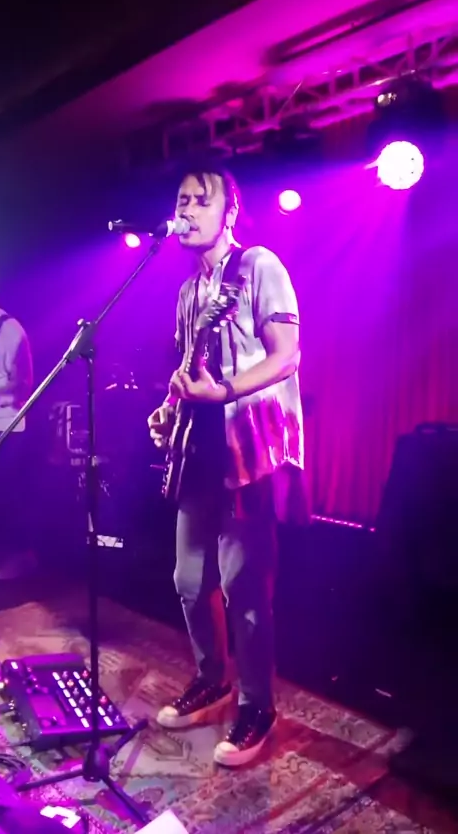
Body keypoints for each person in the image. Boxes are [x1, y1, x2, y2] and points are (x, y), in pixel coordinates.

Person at [147, 166, 309, 767]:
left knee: (245, 587)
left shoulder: (260, 266)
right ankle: (212, 677)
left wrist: (225, 392)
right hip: (198, 450)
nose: (186, 211)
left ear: (230, 211)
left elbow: (287, 356)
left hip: (249, 451)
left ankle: (257, 705)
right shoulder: (189, 291)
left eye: (200, 200)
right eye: (180, 200)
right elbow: (188, 367)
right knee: (189, 581)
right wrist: (168, 409)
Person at [0, 285, 34, 579]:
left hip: (6, 426)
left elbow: (24, 383)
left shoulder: (11, 330)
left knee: (7, 493)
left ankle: (18, 556)